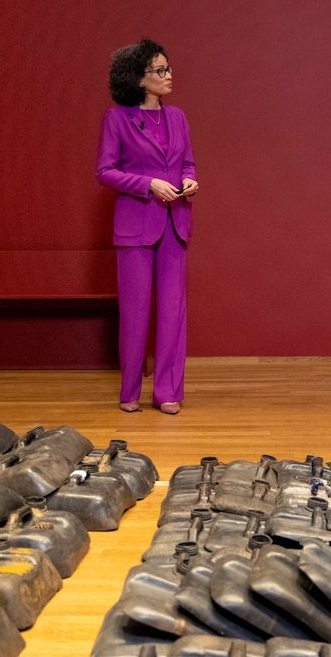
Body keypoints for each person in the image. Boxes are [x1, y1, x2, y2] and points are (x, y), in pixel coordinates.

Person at [96, 39, 198, 415]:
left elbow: (187, 162)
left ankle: (168, 392)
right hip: (135, 225)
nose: (169, 76)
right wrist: (147, 184)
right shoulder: (117, 118)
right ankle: (130, 393)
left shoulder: (179, 117)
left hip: (176, 223)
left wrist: (189, 180)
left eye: (169, 69)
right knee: (136, 312)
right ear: (139, 78)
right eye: (160, 70)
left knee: (173, 310)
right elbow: (104, 171)